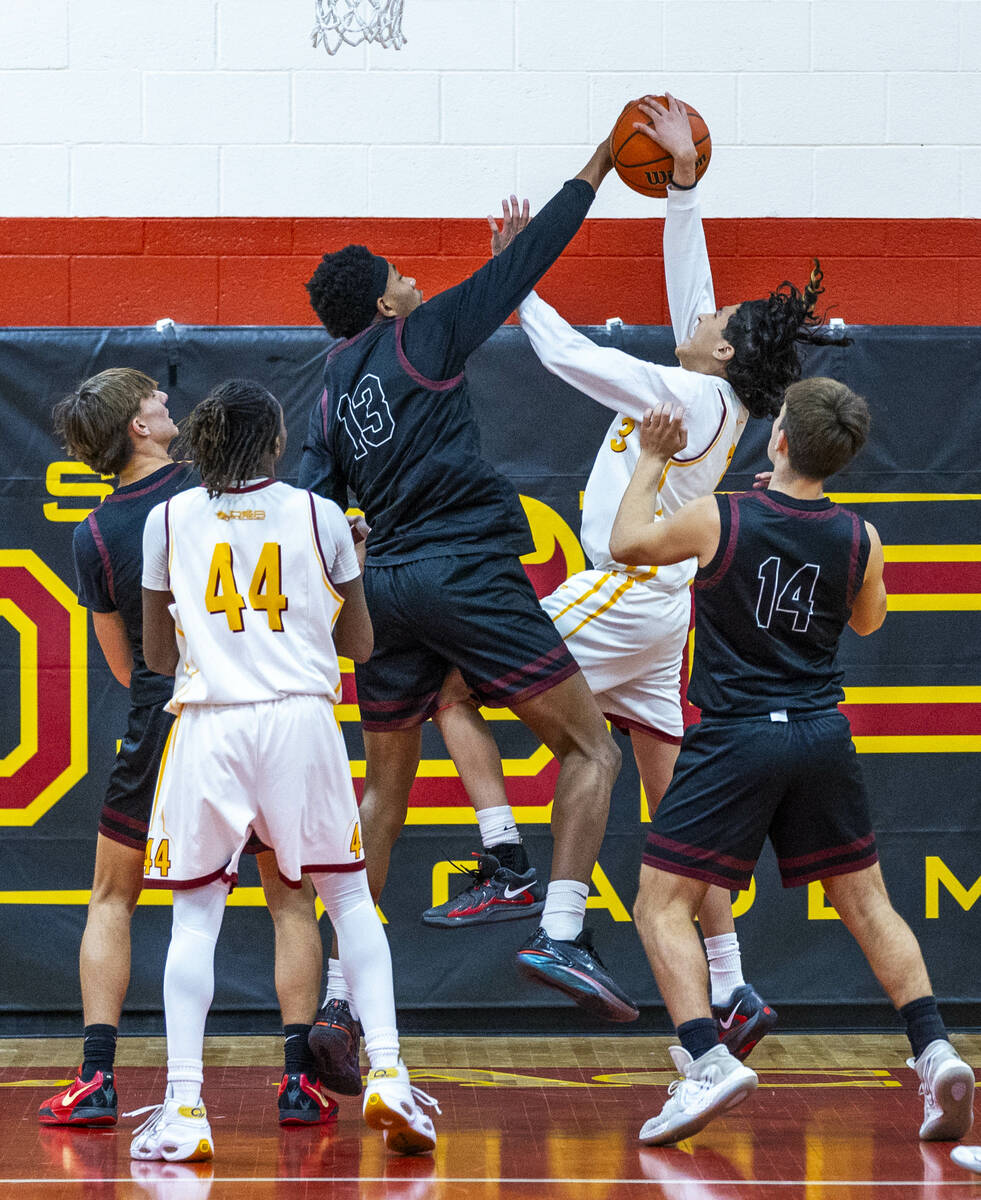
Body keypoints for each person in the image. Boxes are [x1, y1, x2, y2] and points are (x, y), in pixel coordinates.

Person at [424, 94, 842, 1058]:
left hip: (618, 591)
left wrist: (511, 277)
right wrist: (683, 194)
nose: (704, 312)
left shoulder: (686, 390)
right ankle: (733, 990)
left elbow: (566, 355)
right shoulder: (719, 391)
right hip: (661, 616)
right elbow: (688, 288)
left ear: (725, 350)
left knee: (452, 688)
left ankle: (539, 901)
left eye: (720, 318)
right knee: (676, 800)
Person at [297, 126, 636, 1054]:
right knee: (591, 751)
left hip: (389, 587)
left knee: (384, 795)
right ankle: (561, 931)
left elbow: (316, 509)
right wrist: (599, 162)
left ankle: (338, 1000)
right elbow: (528, 261)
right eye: (399, 273)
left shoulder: (325, 392)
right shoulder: (420, 335)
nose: (411, 279)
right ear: (381, 298)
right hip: (463, 569)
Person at [608, 383, 976, 1147]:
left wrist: (649, 457)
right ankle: (935, 1050)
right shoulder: (860, 538)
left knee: (658, 903)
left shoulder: (722, 516)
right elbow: (869, 621)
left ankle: (707, 1059)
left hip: (738, 734)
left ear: (777, 442)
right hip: (817, 733)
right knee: (869, 906)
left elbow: (625, 543)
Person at [135, 379, 437, 1162]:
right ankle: (391, 1075)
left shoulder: (165, 518)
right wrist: (347, 570)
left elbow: (160, 656)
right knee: (346, 901)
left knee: (194, 920)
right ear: (275, 442)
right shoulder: (321, 515)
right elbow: (361, 647)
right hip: (300, 721)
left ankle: (185, 1109)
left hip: (211, 725)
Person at [38, 369, 331, 1130]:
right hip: (255, 707)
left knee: (114, 896)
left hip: (165, 717)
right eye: (153, 401)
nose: (167, 403)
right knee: (289, 898)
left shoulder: (96, 533)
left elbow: (124, 664)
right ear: (138, 429)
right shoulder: (217, 502)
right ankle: (298, 1081)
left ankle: (97, 1078)